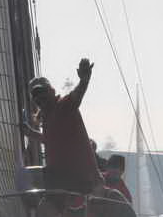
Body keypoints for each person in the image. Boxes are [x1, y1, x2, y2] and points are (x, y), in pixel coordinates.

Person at [23, 59, 103, 199]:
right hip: (61, 177)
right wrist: (30, 133)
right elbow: (52, 140)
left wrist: (84, 81)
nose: (39, 97)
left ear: (52, 91)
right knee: (27, 179)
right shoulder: (47, 118)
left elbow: (77, 95)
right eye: (35, 95)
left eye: (42, 92)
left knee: (25, 177)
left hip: (77, 177)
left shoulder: (64, 105)